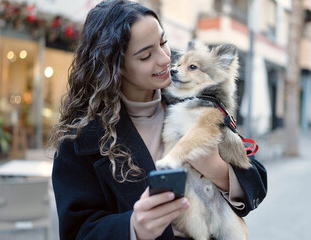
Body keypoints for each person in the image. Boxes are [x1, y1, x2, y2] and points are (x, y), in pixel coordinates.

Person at [48, 0, 267, 239]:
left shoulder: (193, 99)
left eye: (163, 42)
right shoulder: (79, 140)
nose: (165, 59)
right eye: (146, 56)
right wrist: (132, 227)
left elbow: (255, 179)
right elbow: (77, 231)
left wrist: (216, 168)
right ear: (115, 66)